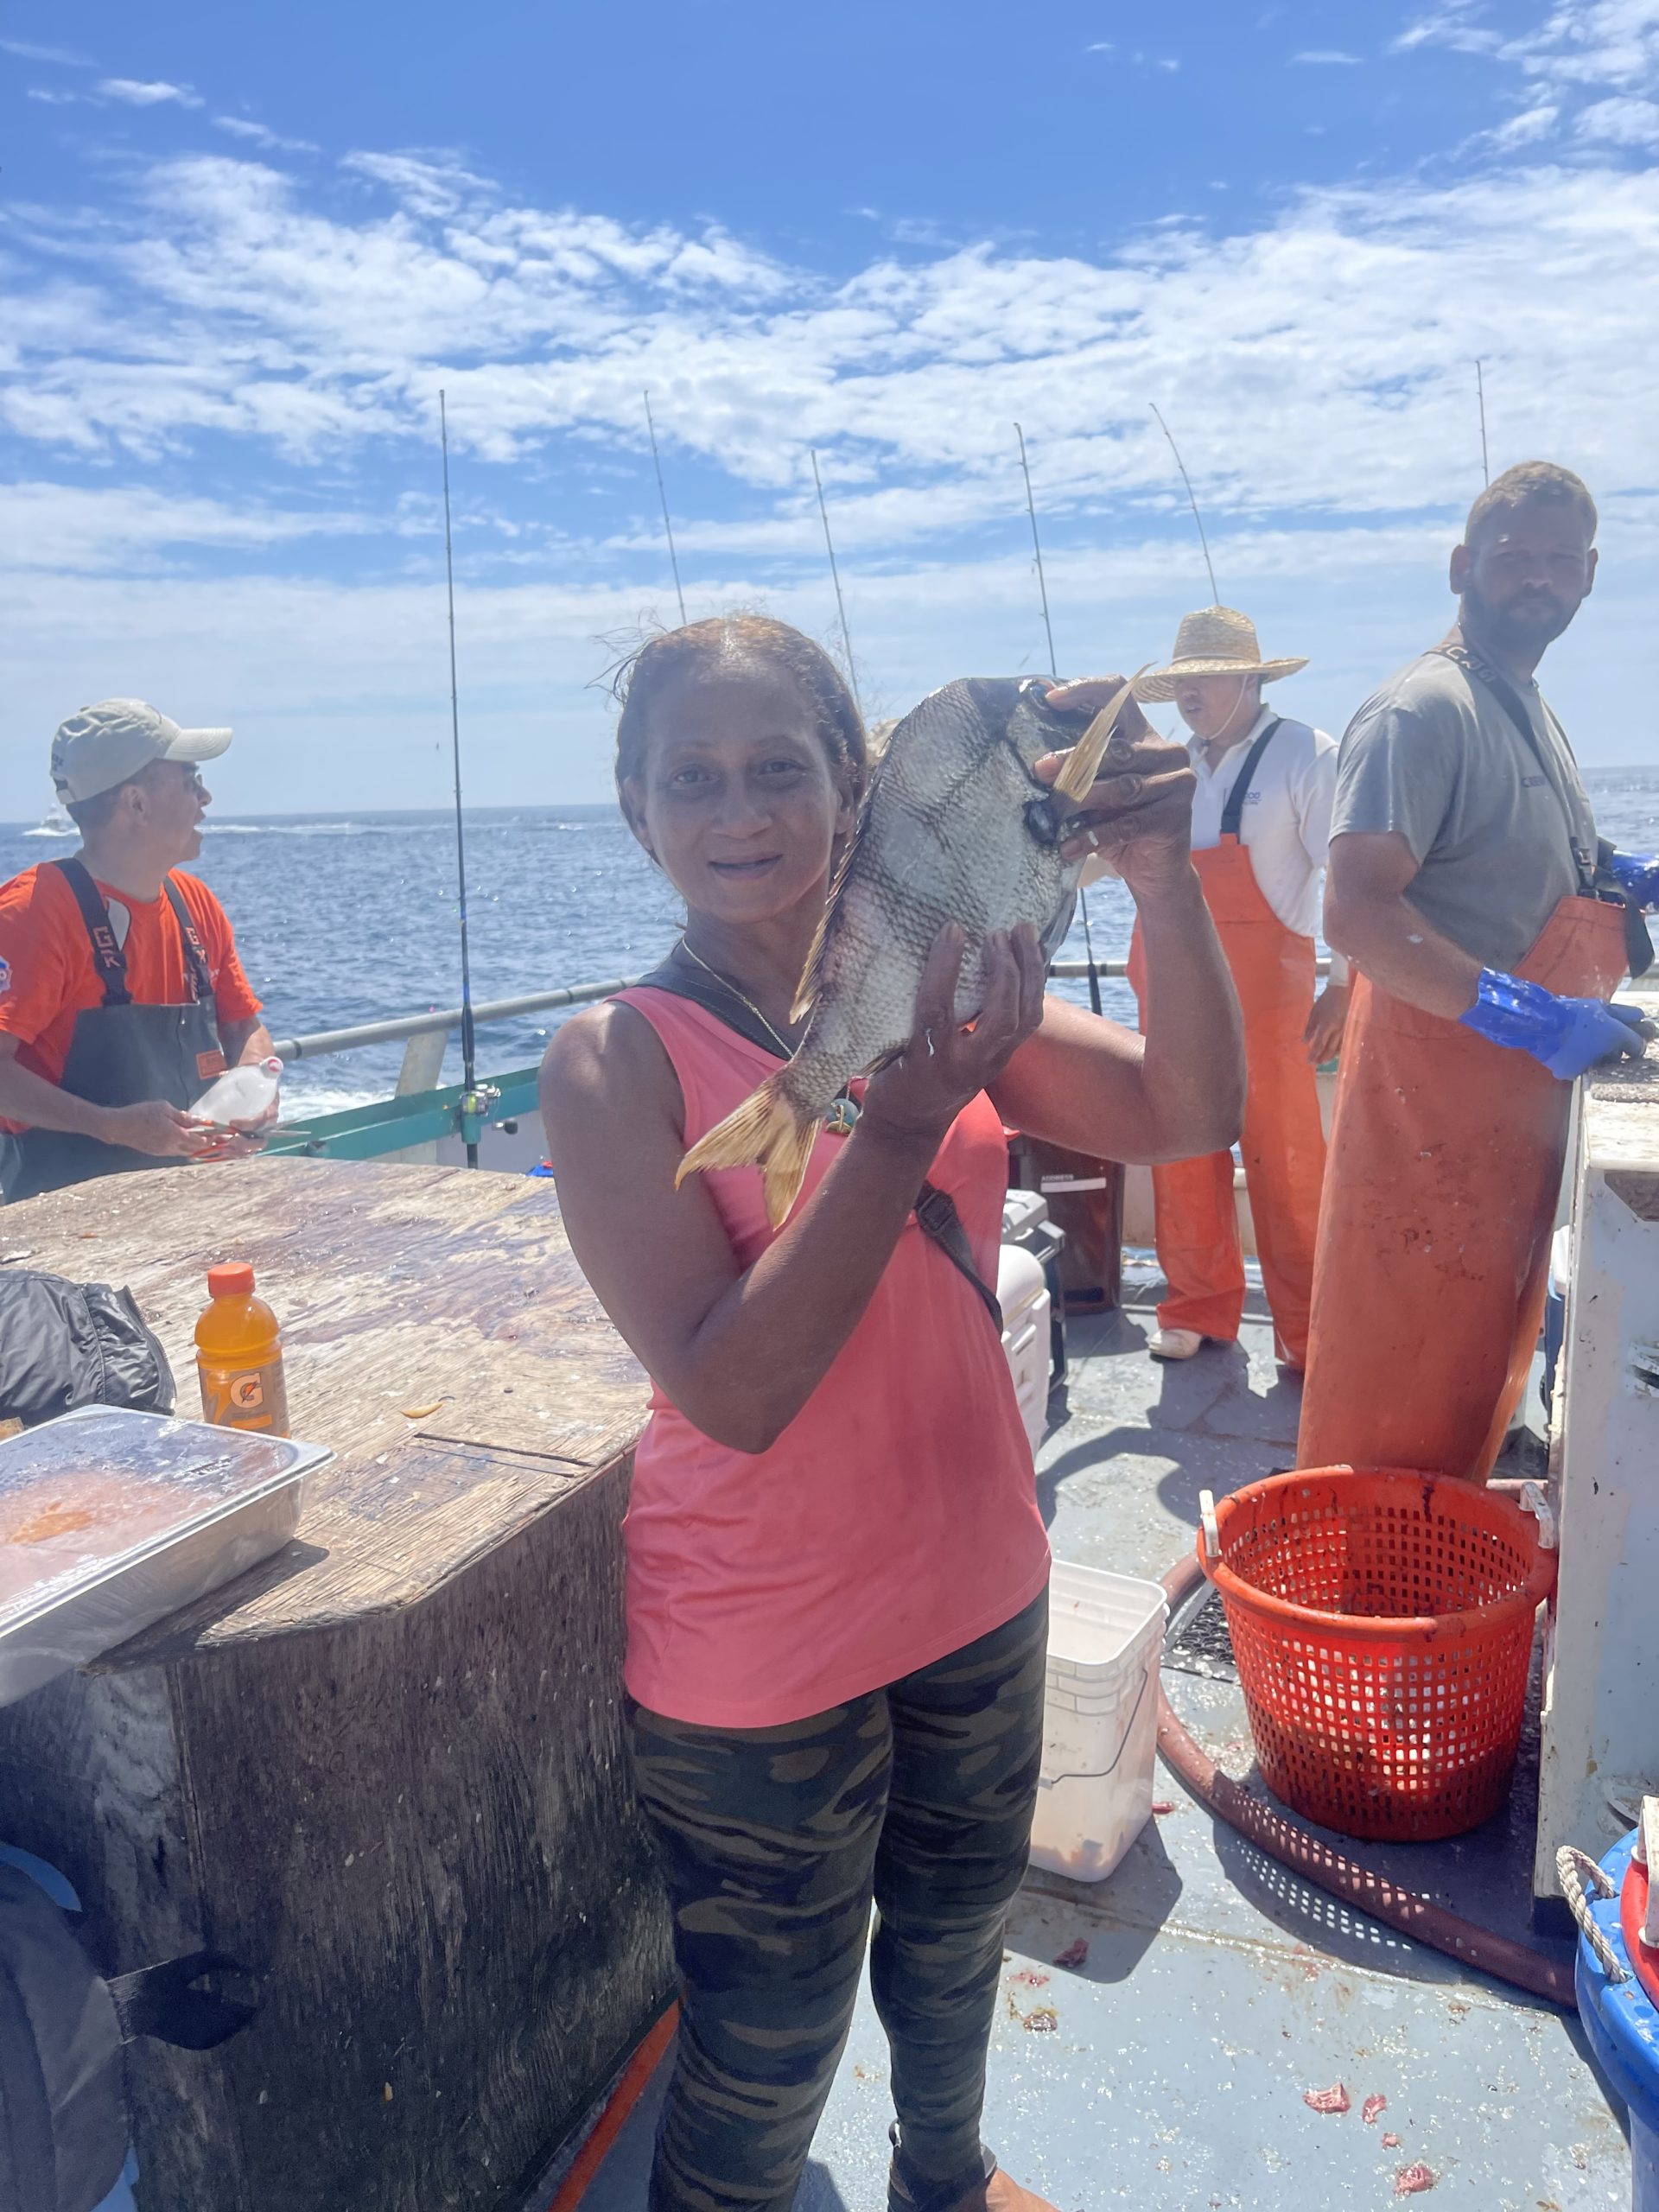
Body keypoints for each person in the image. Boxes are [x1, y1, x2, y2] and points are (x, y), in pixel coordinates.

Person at [540, 615, 1243, 2212]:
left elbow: (1189, 1107)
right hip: (757, 1640)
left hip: (978, 1579)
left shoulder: (955, 986)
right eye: (693, 777)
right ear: (636, 808)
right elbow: (735, 1392)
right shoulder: (611, 1061)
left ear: (851, 790)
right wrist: (903, 1119)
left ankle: (946, 2178)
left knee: (955, 1940)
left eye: (780, 768)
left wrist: (1161, 879)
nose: (740, 811)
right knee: (764, 2040)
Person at [1300, 462, 1651, 1482]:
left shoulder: (1525, 701)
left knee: (1473, 1376)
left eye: (1559, 560)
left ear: (1590, 575)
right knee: (1392, 1381)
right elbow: (1357, 910)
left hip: (1508, 1122)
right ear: (1462, 567)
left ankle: (1438, 1546)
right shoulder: (1422, 709)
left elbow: (1515, 856)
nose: (1537, 578)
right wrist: (1528, 1016)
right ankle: (1362, 1570)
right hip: (1428, 1110)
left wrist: (1619, 872)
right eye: (1513, 557)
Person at [1123, 605, 1347, 1370]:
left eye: (1210, 677)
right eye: (1183, 682)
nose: (1191, 694)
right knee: (1181, 1150)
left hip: (1273, 1003)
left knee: (1288, 1163)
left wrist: (1343, 984)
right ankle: (1196, 1307)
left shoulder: (1307, 754)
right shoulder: (1165, 769)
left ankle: (1307, 1333)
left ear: (1251, 679)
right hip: (1173, 1000)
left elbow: (1347, 877)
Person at [0, 699, 277, 1205]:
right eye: (191, 779)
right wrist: (110, 1126)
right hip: (68, 1222)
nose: (205, 796)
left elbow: (245, 1027)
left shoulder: (195, 903)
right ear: (136, 804)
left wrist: (254, 1087)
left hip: (198, 1203)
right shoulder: (34, 912)